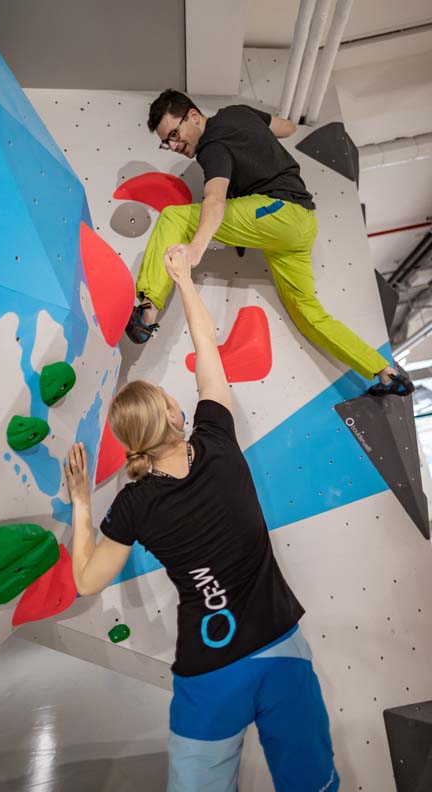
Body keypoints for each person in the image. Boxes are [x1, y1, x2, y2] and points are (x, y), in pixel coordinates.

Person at [65, 247, 340, 792]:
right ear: (173, 414)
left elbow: (86, 581)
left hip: (210, 673)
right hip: (281, 648)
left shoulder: (134, 505)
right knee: (313, 784)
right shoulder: (216, 440)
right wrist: (184, 281)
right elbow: (206, 346)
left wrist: (81, 505)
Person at [124, 88, 413, 398]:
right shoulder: (239, 113)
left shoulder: (212, 146)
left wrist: (195, 250)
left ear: (193, 116)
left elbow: (215, 201)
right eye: (166, 142)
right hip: (301, 224)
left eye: (174, 134)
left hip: (278, 212)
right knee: (308, 315)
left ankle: (148, 310)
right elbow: (287, 128)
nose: (174, 145)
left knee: (174, 218)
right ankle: (385, 371)